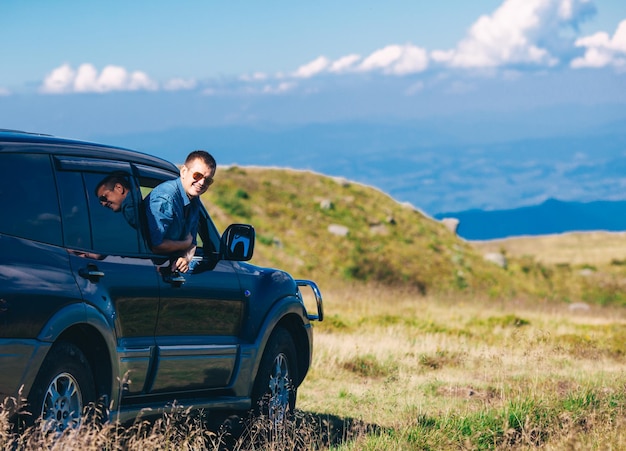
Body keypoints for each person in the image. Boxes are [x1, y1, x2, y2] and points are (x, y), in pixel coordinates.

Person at [144, 150, 216, 273]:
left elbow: (192, 242)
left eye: (208, 180)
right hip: (145, 270)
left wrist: (185, 258)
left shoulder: (194, 200)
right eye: (197, 176)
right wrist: (184, 244)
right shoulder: (166, 198)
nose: (202, 182)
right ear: (183, 171)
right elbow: (155, 244)